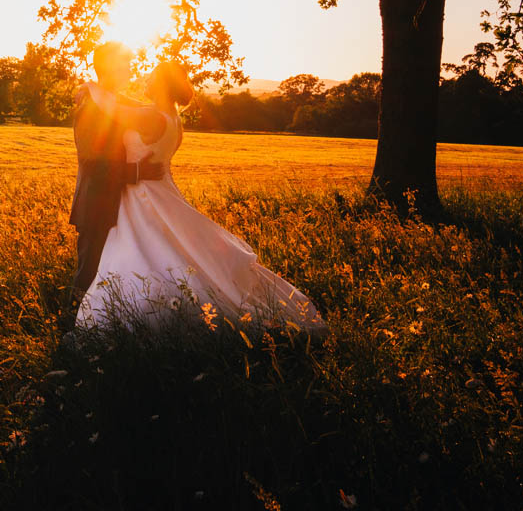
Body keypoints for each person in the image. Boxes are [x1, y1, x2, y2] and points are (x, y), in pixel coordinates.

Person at [74, 61, 329, 338]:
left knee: (148, 251)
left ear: (160, 85)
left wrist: (90, 87)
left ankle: (148, 317)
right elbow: (128, 107)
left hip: (143, 195)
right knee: (168, 251)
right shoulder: (171, 119)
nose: (144, 81)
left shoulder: (150, 118)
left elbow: (112, 109)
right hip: (162, 190)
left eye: (150, 78)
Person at [67, 42, 164, 320]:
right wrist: (136, 173)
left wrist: (91, 86)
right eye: (125, 62)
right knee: (88, 276)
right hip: (97, 205)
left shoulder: (109, 101)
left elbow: (138, 109)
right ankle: (70, 330)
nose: (131, 67)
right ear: (110, 66)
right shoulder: (91, 110)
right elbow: (91, 164)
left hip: (120, 206)